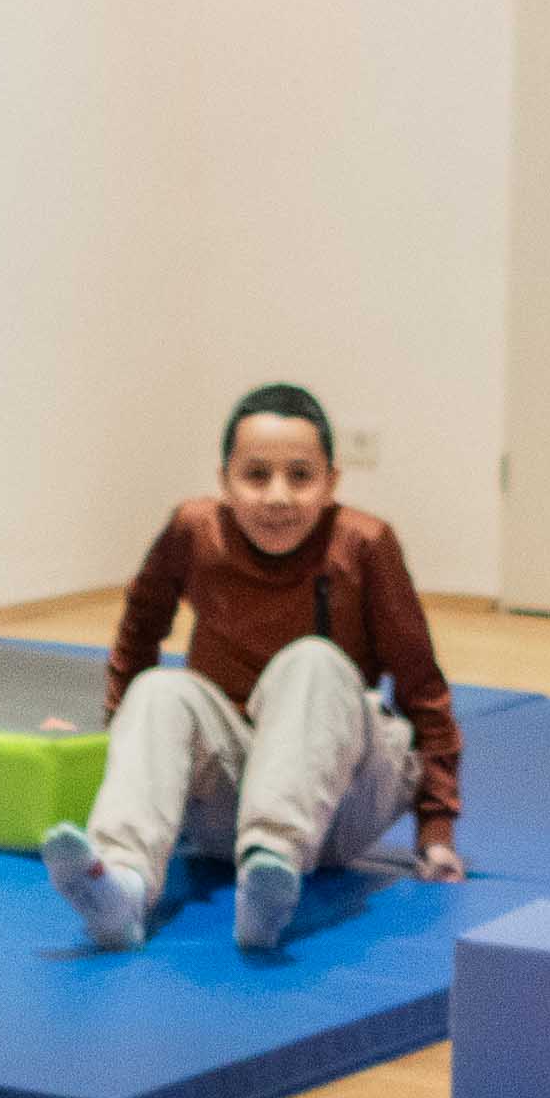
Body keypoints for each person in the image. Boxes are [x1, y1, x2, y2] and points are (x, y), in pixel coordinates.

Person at [47, 383, 463, 962]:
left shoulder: (364, 544)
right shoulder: (194, 532)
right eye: (256, 475)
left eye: (300, 476)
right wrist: (118, 740)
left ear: (331, 483)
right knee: (159, 689)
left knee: (312, 661)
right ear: (225, 481)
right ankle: (124, 885)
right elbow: (139, 632)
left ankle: (273, 868)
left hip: (339, 800)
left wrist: (435, 833)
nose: (278, 496)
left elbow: (423, 687)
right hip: (231, 799)